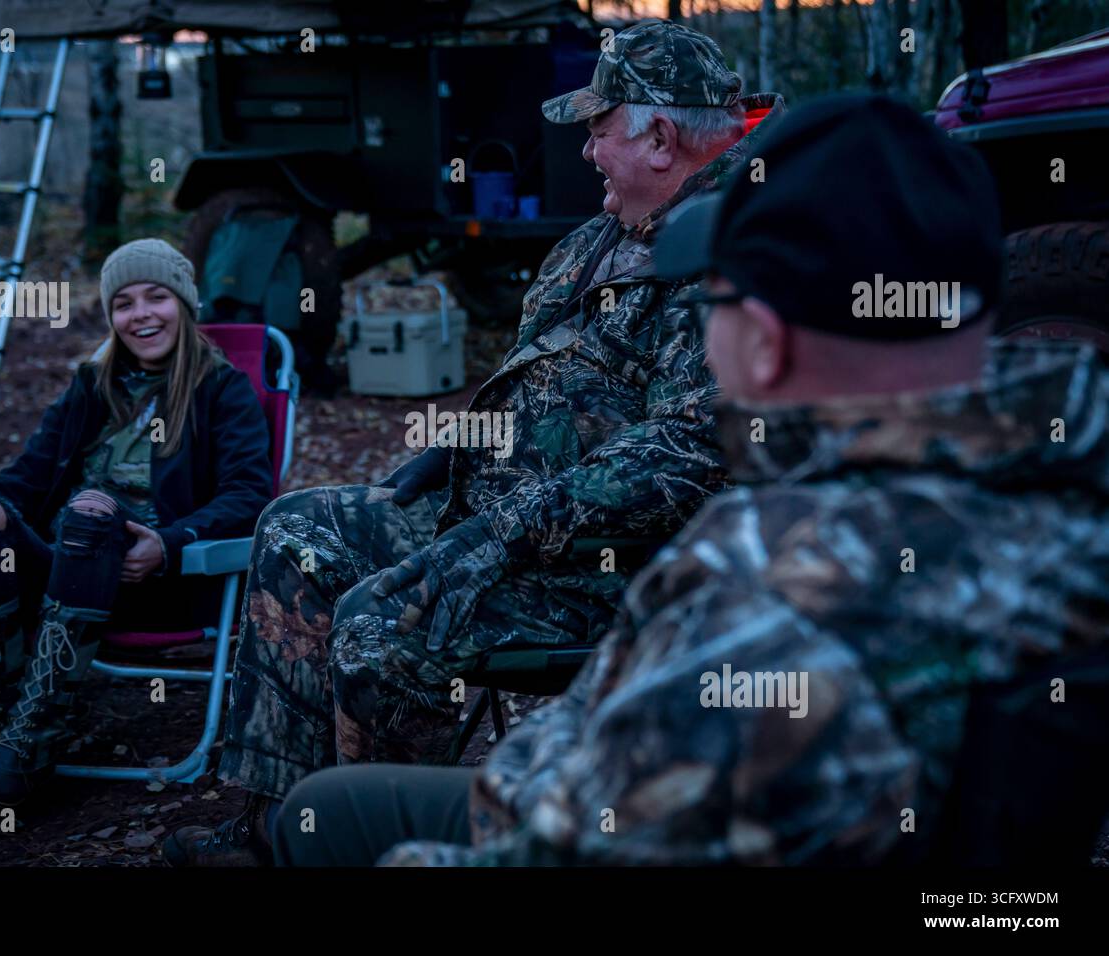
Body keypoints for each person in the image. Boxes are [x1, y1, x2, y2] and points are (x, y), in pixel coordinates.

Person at [262, 94, 1109, 866]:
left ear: (767, 344)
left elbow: (569, 841)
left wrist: (558, 729)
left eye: (715, 305)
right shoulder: (1076, 503)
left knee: (333, 816)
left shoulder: (763, 597)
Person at [162, 19, 786, 865]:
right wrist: (457, 445)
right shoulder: (592, 241)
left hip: (606, 567)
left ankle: (378, 842)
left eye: (599, 131)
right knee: (298, 531)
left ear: (661, 139)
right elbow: (537, 383)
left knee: (378, 625)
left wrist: (511, 523)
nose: (586, 151)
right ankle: (277, 829)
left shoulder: (724, 257)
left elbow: (689, 453)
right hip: (494, 516)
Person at [0, 238, 273, 820]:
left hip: (155, 577)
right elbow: (27, 475)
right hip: (61, 568)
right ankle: (4, 734)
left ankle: (30, 739)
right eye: (123, 303)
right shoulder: (91, 386)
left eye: (156, 296)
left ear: (185, 304)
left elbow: (248, 494)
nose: (140, 313)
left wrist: (171, 542)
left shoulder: (221, 389)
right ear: (112, 318)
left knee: (91, 508)